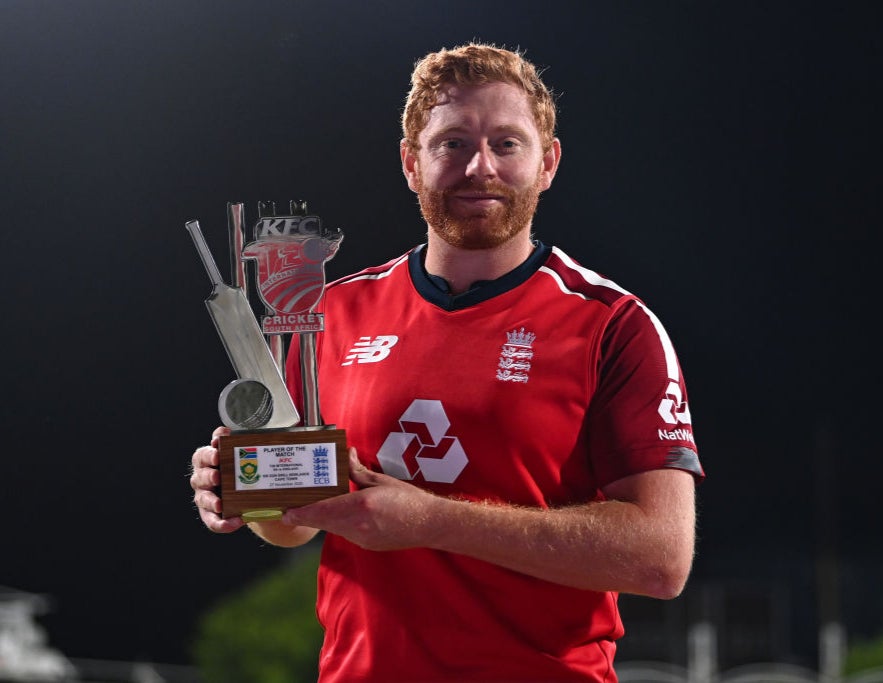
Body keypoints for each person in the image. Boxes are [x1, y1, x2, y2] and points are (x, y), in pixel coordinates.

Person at [191, 42, 703, 683]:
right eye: (452, 144)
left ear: (548, 162)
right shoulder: (332, 312)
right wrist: (247, 490)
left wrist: (432, 521)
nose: (479, 167)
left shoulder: (612, 326)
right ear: (411, 162)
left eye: (507, 143)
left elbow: (660, 558)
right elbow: (295, 526)